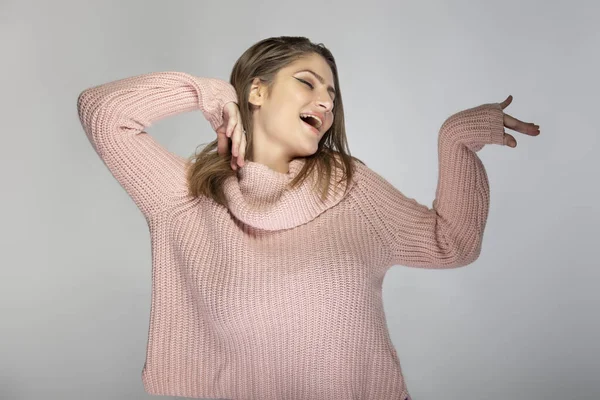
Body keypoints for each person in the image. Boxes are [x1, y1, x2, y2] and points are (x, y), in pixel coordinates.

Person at [76, 35, 540, 400]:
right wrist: (209, 94)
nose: (326, 102)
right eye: (307, 82)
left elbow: (450, 243)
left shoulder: (351, 186)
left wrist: (454, 140)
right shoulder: (185, 196)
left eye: (332, 95)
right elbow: (103, 113)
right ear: (256, 91)